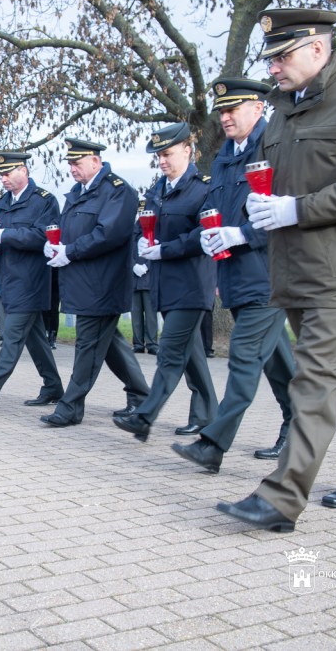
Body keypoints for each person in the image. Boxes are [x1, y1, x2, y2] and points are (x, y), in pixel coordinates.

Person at [217, 9, 336, 532]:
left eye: (282, 56)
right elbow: (271, 178)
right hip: (293, 267)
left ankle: (281, 497)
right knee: (334, 379)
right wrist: (262, 206)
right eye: (271, 58)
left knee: (312, 380)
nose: (273, 68)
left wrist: (297, 209)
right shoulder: (282, 110)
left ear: (318, 49)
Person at [171, 78, 296, 474]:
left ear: (258, 108)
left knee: (243, 358)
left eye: (232, 109)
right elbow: (214, 211)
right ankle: (302, 425)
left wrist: (241, 234)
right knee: (277, 364)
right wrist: (209, 235)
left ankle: (213, 444)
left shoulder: (275, 147)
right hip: (237, 277)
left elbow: (286, 213)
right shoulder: (226, 155)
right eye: (221, 111)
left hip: (269, 275)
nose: (224, 117)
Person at [112, 122, 217, 441]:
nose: (162, 161)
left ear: (188, 150)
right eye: (158, 156)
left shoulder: (204, 188)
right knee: (192, 355)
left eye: (168, 154)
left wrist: (164, 249)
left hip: (191, 283)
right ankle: (207, 416)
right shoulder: (157, 189)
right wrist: (144, 243)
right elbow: (145, 227)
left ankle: (145, 416)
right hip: (164, 284)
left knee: (170, 352)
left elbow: (204, 233)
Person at [38, 139, 141, 426]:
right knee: (108, 345)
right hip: (82, 282)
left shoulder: (117, 191)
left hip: (103, 283)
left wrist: (70, 251)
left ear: (95, 162)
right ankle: (142, 396)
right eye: (70, 164)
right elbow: (69, 229)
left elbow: (108, 234)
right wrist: (54, 245)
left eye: (77, 163)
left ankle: (70, 407)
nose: (72, 169)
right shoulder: (77, 192)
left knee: (87, 346)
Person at [0, 151, 63, 413]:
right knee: (36, 340)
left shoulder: (44, 201)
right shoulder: (3, 203)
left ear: (23, 170)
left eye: (7, 173)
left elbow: (43, 236)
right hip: (9, 280)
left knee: (12, 338)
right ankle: (53, 387)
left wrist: (4, 235)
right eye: (1, 174)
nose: (3, 178)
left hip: (32, 281)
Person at [131, 197, 159, 354]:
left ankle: (152, 343)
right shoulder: (131, 229)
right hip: (134, 277)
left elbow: (157, 247)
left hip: (149, 276)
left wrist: (147, 266)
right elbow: (127, 250)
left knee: (150, 313)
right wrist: (133, 265)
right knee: (136, 313)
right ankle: (138, 343)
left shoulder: (152, 226)